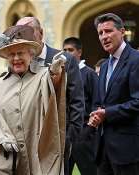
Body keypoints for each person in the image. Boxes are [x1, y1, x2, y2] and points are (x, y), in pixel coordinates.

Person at [0, 25, 66, 175]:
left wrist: (56, 75)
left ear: (31, 54)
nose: (16, 58)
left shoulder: (43, 77)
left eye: (20, 53)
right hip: (8, 160)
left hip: (37, 155)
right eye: (11, 54)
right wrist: (3, 137)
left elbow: (53, 90)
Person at [16, 16, 84, 175]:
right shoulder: (18, 64)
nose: (24, 38)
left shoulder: (65, 60)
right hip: (26, 142)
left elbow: (77, 103)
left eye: (28, 33)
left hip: (57, 143)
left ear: (41, 33)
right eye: (19, 34)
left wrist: (67, 140)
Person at [88, 13, 139, 175]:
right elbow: (99, 101)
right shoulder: (103, 66)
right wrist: (95, 114)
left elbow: (137, 101)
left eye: (109, 31)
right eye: (100, 33)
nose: (104, 36)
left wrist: (107, 113)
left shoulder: (135, 60)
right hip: (103, 149)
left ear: (122, 31)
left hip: (128, 151)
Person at [63, 37, 98, 175]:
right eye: (64, 50)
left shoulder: (90, 74)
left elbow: (97, 102)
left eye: (70, 50)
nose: (67, 53)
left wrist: (88, 130)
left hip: (84, 134)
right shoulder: (61, 74)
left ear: (79, 52)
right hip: (65, 134)